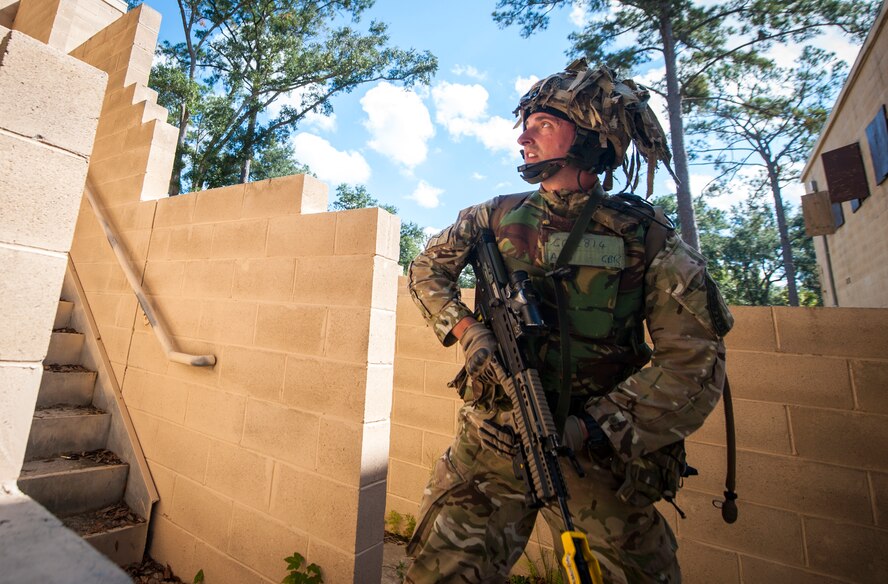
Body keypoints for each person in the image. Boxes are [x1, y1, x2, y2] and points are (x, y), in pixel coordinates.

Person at [404, 59, 733, 584]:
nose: (523, 139)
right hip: (490, 442)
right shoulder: (493, 216)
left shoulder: (646, 239)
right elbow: (425, 269)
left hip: (596, 461)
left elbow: (693, 362)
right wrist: (469, 332)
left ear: (589, 136)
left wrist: (596, 426)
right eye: (525, 126)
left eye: (543, 126)